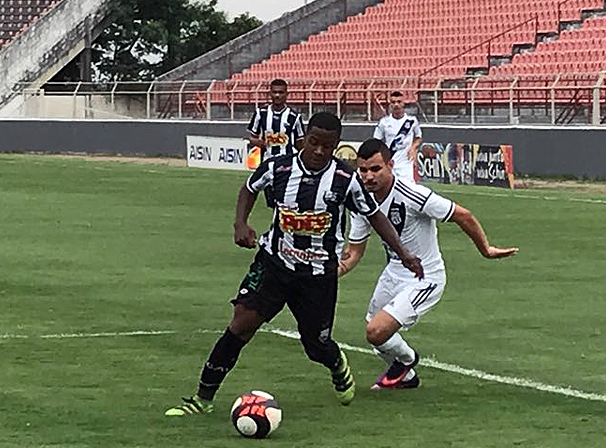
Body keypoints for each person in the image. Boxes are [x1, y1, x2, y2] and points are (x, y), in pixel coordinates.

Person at [166, 114, 424, 416]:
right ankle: (202, 399)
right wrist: (240, 224)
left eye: (327, 146)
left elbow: (375, 216)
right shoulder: (279, 167)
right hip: (274, 264)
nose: (318, 151)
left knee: (316, 346)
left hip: (317, 276)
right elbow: (250, 187)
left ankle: (336, 361)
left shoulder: (346, 179)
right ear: (304, 139)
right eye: (313, 143)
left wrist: (404, 253)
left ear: (336, 146)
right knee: (240, 325)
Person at [338, 139, 518, 389]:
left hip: (425, 277)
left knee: (376, 332)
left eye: (376, 169)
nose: (368, 176)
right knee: (374, 330)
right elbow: (354, 251)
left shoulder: (413, 194)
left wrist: (486, 250)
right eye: (363, 170)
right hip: (393, 273)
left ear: (390, 166)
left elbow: (462, 215)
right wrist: (325, 274)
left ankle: (407, 361)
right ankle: (407, 377)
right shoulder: (361, 201)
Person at [373, 91, 423, 184]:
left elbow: (418, 137)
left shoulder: (411, 121)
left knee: (408, 189)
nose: (396, 105)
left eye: (399, 102)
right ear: (390, 104)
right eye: (393, 102)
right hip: (390, 161)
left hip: (406, 162)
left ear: (403, 103)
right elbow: (376, 141)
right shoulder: (384, 122)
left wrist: (413, 148)